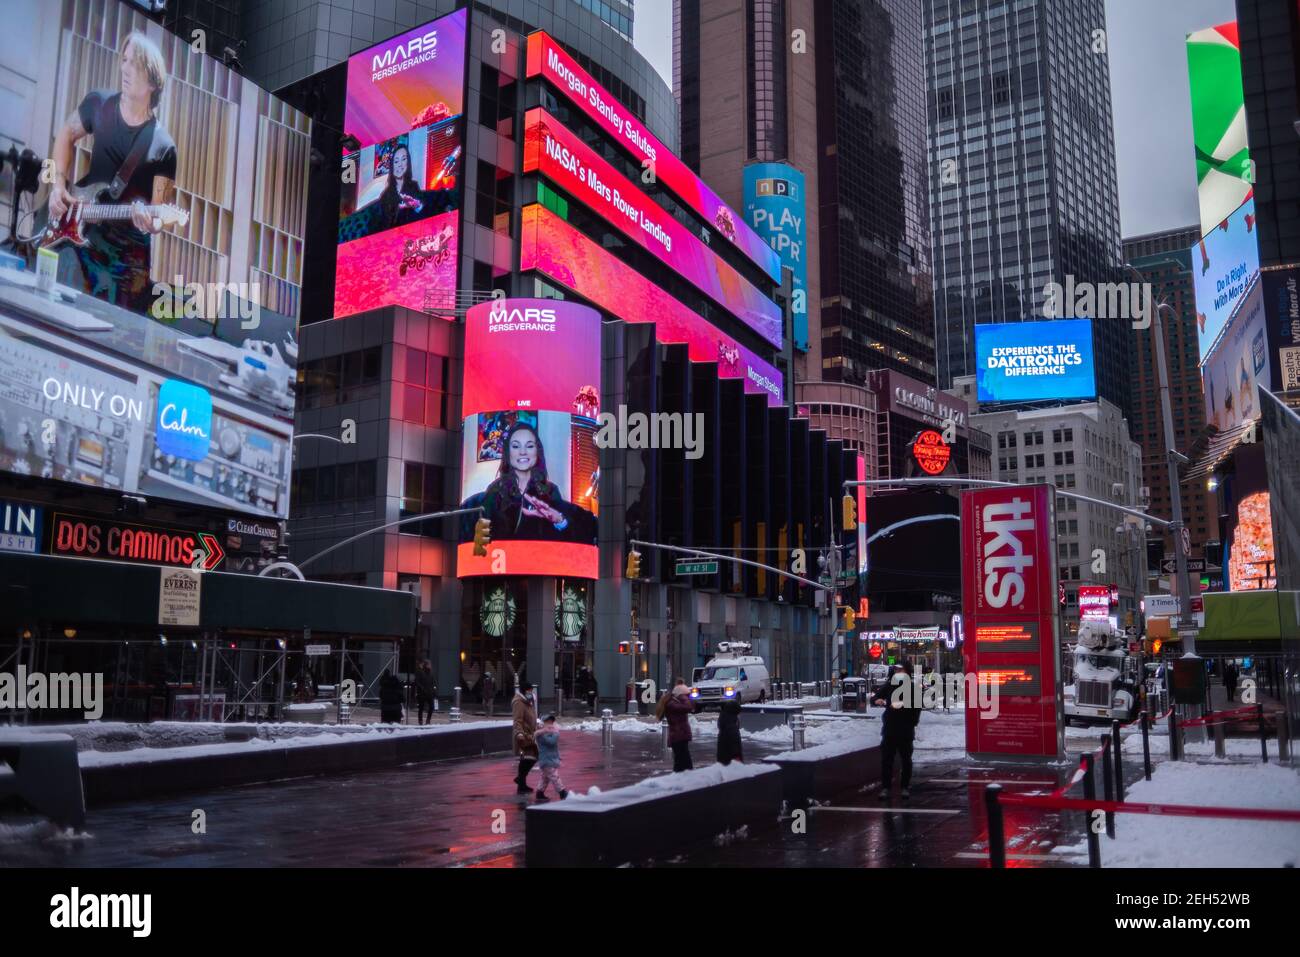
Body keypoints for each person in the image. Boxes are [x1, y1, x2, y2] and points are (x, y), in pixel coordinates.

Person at [48, 32, 178, 313]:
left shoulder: (164, 146)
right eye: (125, 60)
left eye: (136, 64)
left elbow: (160, 214)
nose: (125, 69)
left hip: (127, 263)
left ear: (154, 82)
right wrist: (58, 185)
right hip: (82, 237)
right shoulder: (99, 103)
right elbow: (66, 135)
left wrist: (151, 222)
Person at [463, 421, 596, 544]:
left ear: (537, 452)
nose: (522, 452)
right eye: (516, 446)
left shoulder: (550, 492)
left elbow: (572, 538)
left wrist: (559, 521)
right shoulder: (494, 492)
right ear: (508, 453)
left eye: (529, 446)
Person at [872, 662, 921, 799]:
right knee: (887, 760)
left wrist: (910, 720)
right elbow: (875, 698)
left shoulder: (912, 688)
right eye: (896, 670)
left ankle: (905, 787)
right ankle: (886, 788)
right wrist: (877, 700)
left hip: (905, 729)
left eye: (901, 670)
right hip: (890, 729)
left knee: (906, 759)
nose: (898, 672)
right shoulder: (889, 686)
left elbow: (917, 709)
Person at [378, 143, 424, 230]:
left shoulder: (414, 186)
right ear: (392, 165)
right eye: (396, 161)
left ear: (408, 162)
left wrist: (416, 206)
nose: (400, 164)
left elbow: (422, 215)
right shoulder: (385, 196)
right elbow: (384, 226)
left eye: (403, 159)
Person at [533, 715, 569, 801]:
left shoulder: (548, 733)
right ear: (543, 723)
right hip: (546, 760)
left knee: (545, 778)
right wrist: (556, 733)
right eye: (548, 722)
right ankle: (562, 792)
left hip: (549, 759)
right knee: (554, 776)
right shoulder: (541, 734)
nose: (550, 724)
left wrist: (558, 756)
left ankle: (540, 793)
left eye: (551, 722)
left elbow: (554, 747)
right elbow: (551, 742)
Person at [512, 680, 539, 794]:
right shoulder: (519, 702)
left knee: (530, 758)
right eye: (529, 690)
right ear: (524, 691)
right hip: (524, 734)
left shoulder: (528, 701)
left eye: (531, 690)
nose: (531, 692)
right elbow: (517, 719)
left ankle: (521, 781)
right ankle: (521, 783)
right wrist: (519, 733)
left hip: (531, 734)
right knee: (529, 757)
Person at [663, 678, 695, 772]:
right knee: (682, 763)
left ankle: (683, 780)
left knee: (683, 763)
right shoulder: (672, 704)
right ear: (680, 695)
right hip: (678, 737)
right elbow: (688, 707)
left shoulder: (675, 703)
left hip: (681, 736)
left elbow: (692, 707)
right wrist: (683, 697)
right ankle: (679, 781)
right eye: (685, 695)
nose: (687, 697)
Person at [716, 696, 743, 766]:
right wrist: (736, 755)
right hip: (732, 760)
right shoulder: (731, 725)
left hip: (722, 758)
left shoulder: (723, 719)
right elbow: (734, 741)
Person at [413, 659, 436, 725]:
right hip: (422, 693)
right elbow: (417, 681)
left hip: (429, 693)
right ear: (426, 665)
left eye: (430, 664)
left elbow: (433, 682)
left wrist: (433, 690)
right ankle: (420, 721)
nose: (430, 666)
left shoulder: (431, 673)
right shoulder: (420, 672)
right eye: (429, 664)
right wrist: (422, 688)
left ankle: (428, 720)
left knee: (432, 707)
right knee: (421, 708)